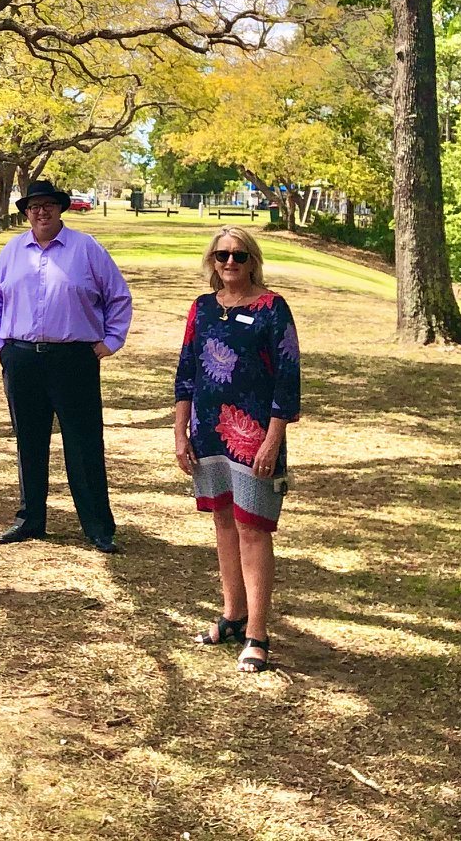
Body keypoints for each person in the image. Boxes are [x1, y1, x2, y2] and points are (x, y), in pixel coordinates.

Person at [0, 178, 132, 553]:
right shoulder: (13, 251)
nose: (41, 211)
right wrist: (1, 344)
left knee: (83, 443)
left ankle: (97, 526)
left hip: (74, 359)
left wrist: (109, 341)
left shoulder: (86, 249)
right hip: (21, 358)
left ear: (60, 208)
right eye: (34, 206)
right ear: (27, 212)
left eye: (48, 204)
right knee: (29, 440)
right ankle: (30, 518)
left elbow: (118, 296)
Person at [173, 227, 300, 674]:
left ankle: (258, 634)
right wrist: (179, 432)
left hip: (253, 436)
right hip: (207, 432)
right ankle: (232, 614)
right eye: (222, 256)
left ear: (253, 261)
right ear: (211, 261)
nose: (230, 263)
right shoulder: (202, 308)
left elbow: (288, 380)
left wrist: (272, 439)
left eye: (239, 256)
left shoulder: (272, 308)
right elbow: (186, 371)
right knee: (223, 521)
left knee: (253, 528)